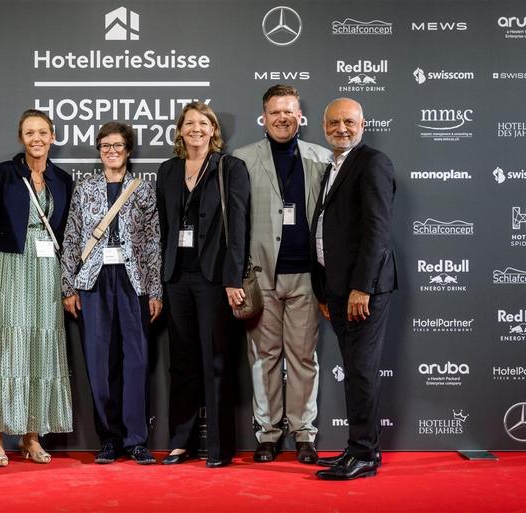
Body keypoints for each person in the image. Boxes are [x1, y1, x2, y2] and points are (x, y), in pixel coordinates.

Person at [232, 85, 331, 464]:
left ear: (300, 116)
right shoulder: (242, 160)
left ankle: (304, 434)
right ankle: (268, 434)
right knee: (264, 357)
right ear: (264, 117)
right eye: (275, 112)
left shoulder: (322, 159)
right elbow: (235, 224)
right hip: (260, 277)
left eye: (289, 111)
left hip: (307, 276)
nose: (282, 118)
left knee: (304, 357)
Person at [0, 109, 74, 467]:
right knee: (8, 348)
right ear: (21, 138)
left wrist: (69, 281)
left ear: (52, 137)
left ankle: (31, 437)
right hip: (9, 265)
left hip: (47, 269)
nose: (37, 139)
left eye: (43, 132)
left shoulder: (63, 179)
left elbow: (67, 235)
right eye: (30, 133)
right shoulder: (3, 173)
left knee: (40, 348)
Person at [61, 122, 162, 465]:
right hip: (93, 281)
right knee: (99, 360)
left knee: (136, 360)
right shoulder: (84, 188)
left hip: (134, 282)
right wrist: (68, 286)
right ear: (99, 150)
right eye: (105, 146)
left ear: (128, 150)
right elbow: (72, 237)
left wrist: (155, 290)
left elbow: (153, 242)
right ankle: (109, 438)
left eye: (118, 145)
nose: (112, 151)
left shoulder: (143, 189)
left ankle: (136, 440)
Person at [156, 102, 250, 468]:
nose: (196, 129)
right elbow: (164, 227)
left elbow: (238, 227)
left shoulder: (230, 168)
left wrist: (233, 278)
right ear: (180, 131)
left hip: (214, 278)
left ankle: (219, 448)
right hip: (176, 277)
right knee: (181, 363)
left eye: (203, 123)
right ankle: (180, 442)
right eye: (189, 123)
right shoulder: (168, 170)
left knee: (215, 361)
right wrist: (160, 278)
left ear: (213, 130)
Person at [311, 98, 397, 480]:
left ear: (363, 125)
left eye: (348, 121)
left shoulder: (372, 162)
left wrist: (362, 288)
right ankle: (360, 448)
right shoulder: (333, 166)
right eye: (333, 123)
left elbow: (377, 230)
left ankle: (364, 454)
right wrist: (325, 290)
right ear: (323, 127)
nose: (341, 128)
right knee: (355, 370)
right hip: (338, 290)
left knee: (361, 371)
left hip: (363, 292)